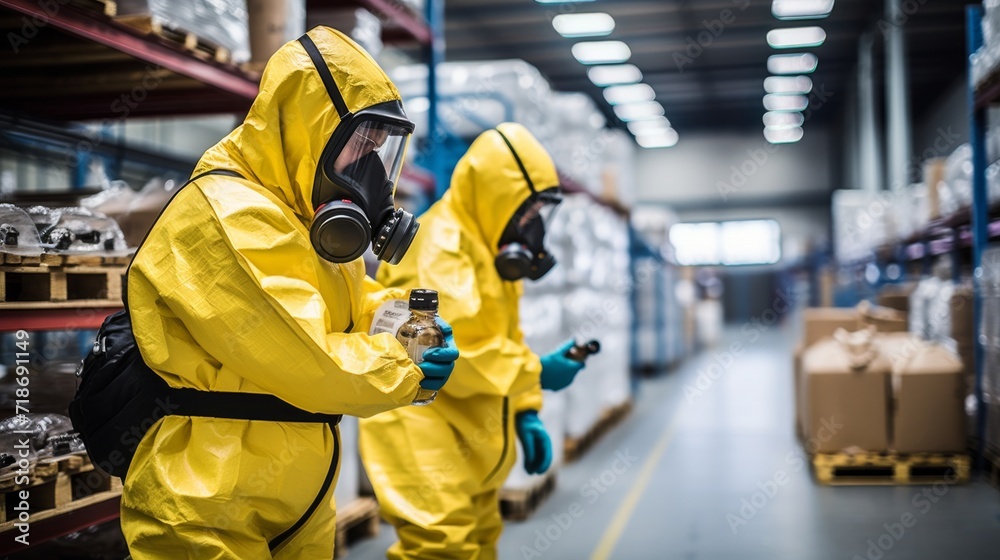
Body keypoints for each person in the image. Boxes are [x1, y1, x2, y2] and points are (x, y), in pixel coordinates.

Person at [119, 27, 458, 559]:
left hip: (296, 497)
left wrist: (404, 327)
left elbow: (344, 309)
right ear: (308, 127)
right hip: (211, 504)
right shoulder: (225, 214)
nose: (370, 170)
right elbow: (310, 357)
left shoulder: (299, 215)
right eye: (360, 145)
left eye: (379, 150)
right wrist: (403, 365)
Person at [359, 122, 588, 559]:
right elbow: (458, 354)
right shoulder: (440, 247)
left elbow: (505, 336)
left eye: (538, 214)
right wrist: (536, 372)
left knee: (480, 544)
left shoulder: (487, 251)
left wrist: (525, 411)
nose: (532, 226)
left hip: (470, 437)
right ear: (496, 194)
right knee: (442, 549)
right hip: (425, 435)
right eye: (526, 211)